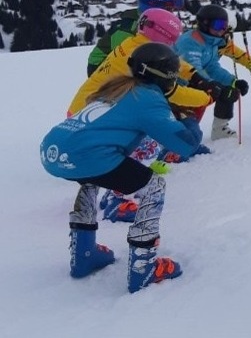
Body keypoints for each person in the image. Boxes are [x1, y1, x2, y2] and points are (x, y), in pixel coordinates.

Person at [40, 43, 203, 293]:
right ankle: (143, 267)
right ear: (168, 76)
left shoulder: (116, 87)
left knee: (91, 178)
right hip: (88, 155)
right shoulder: (148, 99)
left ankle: (84, 254)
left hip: (54, 150)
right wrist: (188, 120)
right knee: (154, 185)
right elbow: (185, 146)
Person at [69, 8, 218, 222]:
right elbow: (173, 92)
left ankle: (108, 195)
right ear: (162, 36)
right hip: (96, 112)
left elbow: (172, 62)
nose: (173, 46)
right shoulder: (142, 60)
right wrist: (207, 97)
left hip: (89, 108)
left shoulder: (136, 46)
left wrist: (197, 77)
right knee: (141, 144)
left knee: (136, 143)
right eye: (171, 41)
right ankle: (116, 200)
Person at [174, 4, 251, 140]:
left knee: (230, 91)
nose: (222, 30)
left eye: (224, 26)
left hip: (199, 82)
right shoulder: (190, 42)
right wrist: (212, 83)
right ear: (205, 23)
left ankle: (219, 129)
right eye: (218, 25)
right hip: (178, 86)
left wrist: (248, 72)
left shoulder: (216, 41)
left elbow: (215, 66)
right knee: (184, 125)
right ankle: (174, 132)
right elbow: (193, 70)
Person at [86, 0, 185, 76]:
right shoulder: (128, 29)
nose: (171, 14)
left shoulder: (150, 23)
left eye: (172, 10)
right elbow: (126, 59)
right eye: (168, 9)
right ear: (153, 7)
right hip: (100, 68)